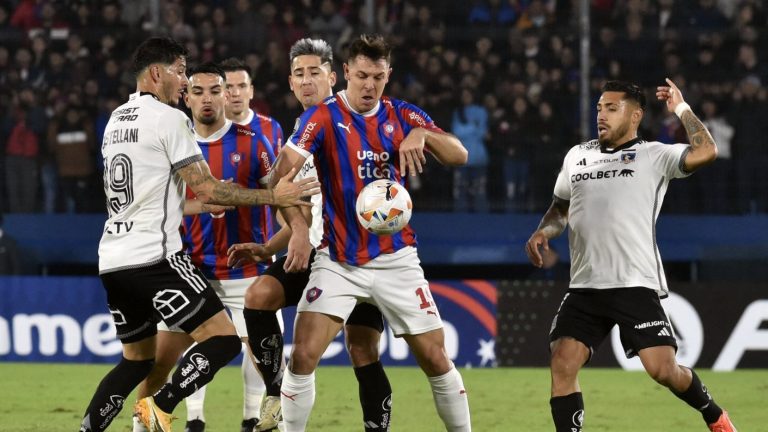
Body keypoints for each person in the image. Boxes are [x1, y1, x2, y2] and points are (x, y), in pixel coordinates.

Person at [79, 37, 318, 432]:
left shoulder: (117, 120)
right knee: (223, 341)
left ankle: (89, 428)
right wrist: (274, 194)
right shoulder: (170, 119)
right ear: (158, 73)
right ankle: (161, 407)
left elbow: (148, 197)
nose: (183, 81)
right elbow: (208, 187)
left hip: (114, 260)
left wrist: (195, 206)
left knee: (136, 360)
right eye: (180, 72)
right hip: (157, 259)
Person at [268, 34, 471, 431]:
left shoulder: (402, 114)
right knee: (304, 355)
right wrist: (295, 225)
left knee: (434, 357)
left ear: (388, 75)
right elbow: (280, 179)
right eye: (361, 75)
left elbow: (459, 155)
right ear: (345, 73)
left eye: (378, 77)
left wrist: (424, 135)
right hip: (339, 260)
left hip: (396, 259)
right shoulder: (322, 117)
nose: (369, 85)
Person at [525, 79, 737, 432]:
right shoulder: (577, 155)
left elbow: (707, 151)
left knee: (663, 370)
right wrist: (542, 232)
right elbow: (560, 207)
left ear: (635, 115)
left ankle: (714, 414)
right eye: (599, 108)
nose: (602, 116)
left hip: (634, 283)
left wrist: (682, 109)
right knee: (562, 362)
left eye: (612, 108)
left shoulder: (655, 155)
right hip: (585, 286)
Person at [227, 38, 394, 432]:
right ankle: (275, 390)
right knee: (259, 297)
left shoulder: (353, 120)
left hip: (357, 254)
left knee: (362, 348)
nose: (306, 81)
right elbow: (284, 193)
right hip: (318, 254)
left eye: (314, 72)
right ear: (290, 82)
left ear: (334, 76)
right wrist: (275, 243)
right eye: (299, 74)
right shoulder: (300, 132)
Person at [131, 62, 275, 432]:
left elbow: (280, 201)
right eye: (198, 91)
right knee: (160, 362)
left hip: (247, 271)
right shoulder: (173, 141)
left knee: (267, 360)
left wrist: (283, 243)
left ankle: (254, 419)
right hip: (189, 270)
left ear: (227, 94)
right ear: (187, 97)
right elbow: (160, 205)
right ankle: (144, 427)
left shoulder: (253, 142)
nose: (207, 99)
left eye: (215, 91)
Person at [219, 57, 284, 155]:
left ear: (251, 91)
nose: (236, 93)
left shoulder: (272, 127)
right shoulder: (204, 130)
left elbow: (279, 169)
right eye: (228, 87)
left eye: (242, 86)